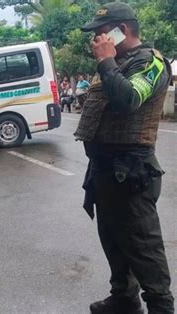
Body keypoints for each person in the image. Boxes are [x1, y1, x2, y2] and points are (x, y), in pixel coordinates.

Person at [75, 2, 174, 314]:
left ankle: (161, 307)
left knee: (143, 245)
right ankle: (124, 299)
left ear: (125, 30)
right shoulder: (116, 61)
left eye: (103, 33)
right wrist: (109, 62)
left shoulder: (151, 62)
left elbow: (130, 98)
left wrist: (106, 63)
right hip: (104, 168)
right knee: (114, 239)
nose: (97, 40)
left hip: (132, 169)